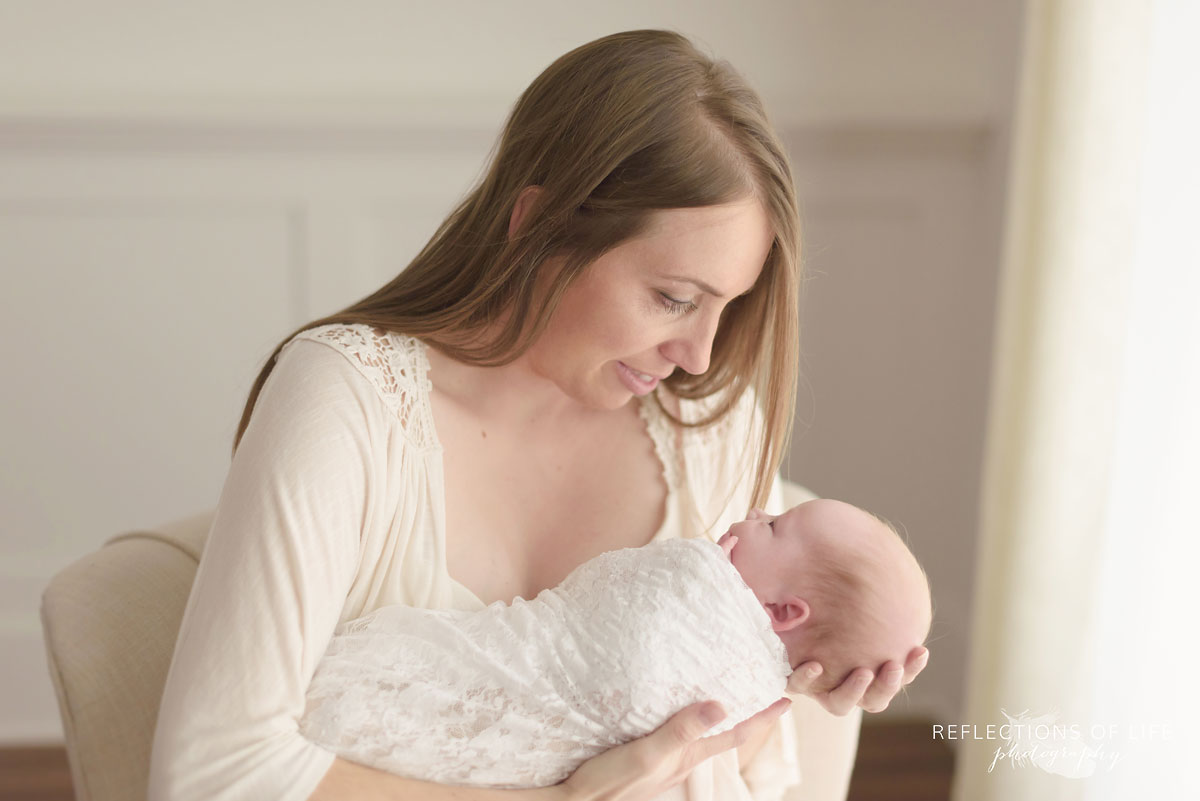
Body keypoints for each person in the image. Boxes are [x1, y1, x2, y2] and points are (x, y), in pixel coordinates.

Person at [148, 29, 928, 801]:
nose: (698, 353)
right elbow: (213, 774)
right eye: (674, 298)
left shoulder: (713, 428)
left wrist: (800, 670)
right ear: (539, 226)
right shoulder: (345, 401)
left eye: (727, 307)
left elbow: (745, 776)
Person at [296, 498, 933, 789]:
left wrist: (795, 685)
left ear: (783, 611)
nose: (750, 515)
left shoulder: (745, 673)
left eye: (772, 524)